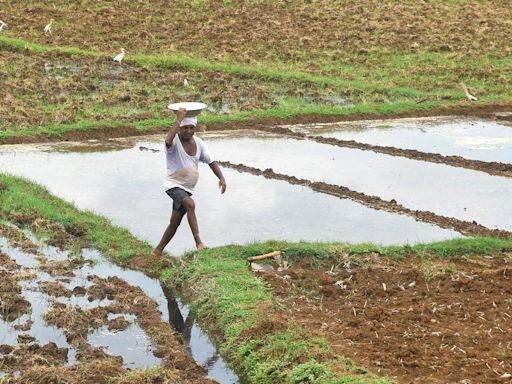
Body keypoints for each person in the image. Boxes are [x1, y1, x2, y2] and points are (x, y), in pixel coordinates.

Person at [152, 107, 226, 256]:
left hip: (187, 189)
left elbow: (210, 161)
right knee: (190, 204)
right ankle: (199, 242)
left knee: (175, 222)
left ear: (194, 129)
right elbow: (167, 140)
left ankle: (157, 251)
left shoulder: (199, 143)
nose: (188, 131)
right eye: (184, 127)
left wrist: (221, 177)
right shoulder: (174, 143)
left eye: (191, 128)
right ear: (179, 128)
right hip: (173, 185)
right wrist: (178, 118)